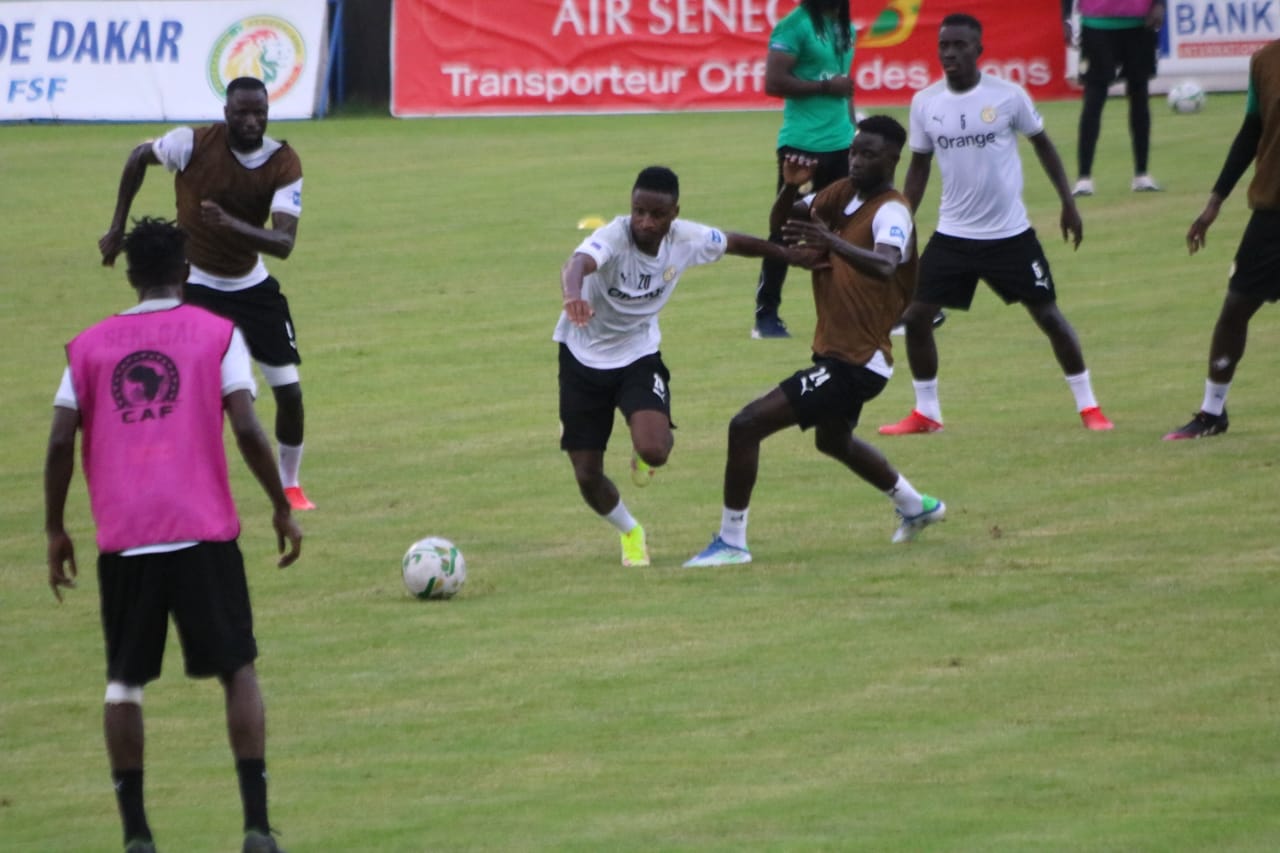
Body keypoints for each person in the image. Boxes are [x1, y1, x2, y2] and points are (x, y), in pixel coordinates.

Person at [45, 217, 303, 853]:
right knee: (238, 671)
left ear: (131, 276)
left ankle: (136, 834)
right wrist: (279, 504)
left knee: (124, 683)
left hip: (126, 536)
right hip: (202, 529)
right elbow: (246, 426)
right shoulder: (217, 334)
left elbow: (57, 438)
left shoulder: (88, 346)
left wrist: (55, 527)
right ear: (185, 271)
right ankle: (255, 826)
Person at [684, 115, 945, 567]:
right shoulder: (841, 194)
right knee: (833, 441)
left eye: (869, 154)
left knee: (745, 425)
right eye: (854, 152)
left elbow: (885, 264)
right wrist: (790, 189)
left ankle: (731, 543)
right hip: (839, 352)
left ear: (893, 160)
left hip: (856, 362)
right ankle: (916, 505)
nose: (857, 160)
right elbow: (784, 228)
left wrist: (830, 241)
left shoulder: (891, 210)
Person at [558, 166, 816, 567]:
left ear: (674, 213)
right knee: (587, 474)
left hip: (638, 356)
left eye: (656, 214)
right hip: (581, 360)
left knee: (655, 450)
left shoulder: (686, 239)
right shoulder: (612, 236)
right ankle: (631, 531)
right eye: (638, 211)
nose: (644, 222)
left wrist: (788, 256)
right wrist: (573, 295)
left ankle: (644, 456)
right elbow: (577, 263)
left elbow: (735, 243)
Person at [878, 13, 1115, 437]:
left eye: (959, 45)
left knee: (1048, 316)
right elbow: (918, 167)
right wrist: (899, 217)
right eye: (944, 44)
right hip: (953, 235)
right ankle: (927, 413)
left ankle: (1089, 406)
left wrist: (1067, 202)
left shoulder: (1007, 97)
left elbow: (1042, 145)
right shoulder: (925, 102)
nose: (949, 52)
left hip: (1010, 236)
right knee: (915, 318)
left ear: (978, 50)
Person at [98, 76, 315, 511]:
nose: (252, 121)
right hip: (196, 286)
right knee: (194, 396)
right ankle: (176, 481)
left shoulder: (284, 162)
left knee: (289, 391)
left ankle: (291, 486)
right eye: (243, 113)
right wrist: (118, 225)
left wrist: (229, 224)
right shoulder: (190, 144)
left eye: (260, 112)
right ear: (226, 113)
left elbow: (284, 244)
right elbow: (139, 157)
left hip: (253, 287)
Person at [1163, 39, 1280, 440]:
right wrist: (1215, 202)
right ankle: (1212, 413)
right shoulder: (1266, 61)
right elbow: (1252, 130)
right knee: (1236, 307)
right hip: (1273, 210)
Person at [752, 0, 856, 340]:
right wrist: (825, 87)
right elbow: (773, 82)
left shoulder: (844, 25)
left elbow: (845, 87)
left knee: (846, 228)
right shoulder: (793, 26)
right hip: (802, 143)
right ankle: (766, 316)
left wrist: (853, 130)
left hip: (841, 143)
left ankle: (848, 310)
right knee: (786, 227)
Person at [1063, 0, 1165, 196]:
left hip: (1139, 23)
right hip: (1096, 24)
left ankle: (1141, 175)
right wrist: (1066, 16)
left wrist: (1160, 3)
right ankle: (1084, 178)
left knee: (1139, 98)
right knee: (1093, 100)